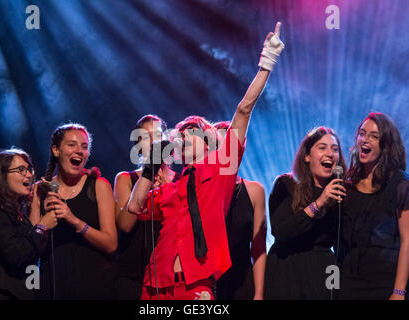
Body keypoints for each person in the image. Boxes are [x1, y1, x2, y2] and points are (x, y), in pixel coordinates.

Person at [128, 22, 284, 300]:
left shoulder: (221, 169)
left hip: (196, 285)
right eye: (181, 134)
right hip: (155, 285)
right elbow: (134, 207)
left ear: (210, 142)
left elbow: (243, 110)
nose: (184, 137)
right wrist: (151, 168)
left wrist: (266, 64)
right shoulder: (171, 187)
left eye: (193, 132)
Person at [30, 123, 117, 299]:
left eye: (84, 147)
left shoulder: (99, 186)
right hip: (54, 288)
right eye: (71, 145)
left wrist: (74, 220)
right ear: (56, 150)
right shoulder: (39, 190)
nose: (79, 151)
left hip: (95, 288)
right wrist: (44, 222)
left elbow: (111, 244)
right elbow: (32, 249)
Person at [264, 127, 347, 299]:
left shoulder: (340, 193)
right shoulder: (286, 184)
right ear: (307, 156)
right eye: (322, 147)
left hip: (323, 271)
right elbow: (281, 232)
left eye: (335, 149)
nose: (330, 154)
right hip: (287, 268)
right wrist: (318, 203)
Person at [340, 112, 409, 300]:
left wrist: (399, 291)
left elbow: (407, 242)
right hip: (349, 285)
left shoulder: (400, 185)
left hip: (384, 286)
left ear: (385, 145)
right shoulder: (348, 185)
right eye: (362, 133)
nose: (365, 139)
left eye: (374, 136)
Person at [0, 148, 57, 300]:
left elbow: (32, 249)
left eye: (29, 169)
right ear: (2, 175)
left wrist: (35, 204)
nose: (28, 175)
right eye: (21, 170)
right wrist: (42, 226)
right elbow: (18, 255)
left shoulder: (19, 214)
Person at [113, 114, 179, 299]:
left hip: (170, 277)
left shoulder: (181, 181)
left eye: (158, 136)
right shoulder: (126, 179)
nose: (152, 142)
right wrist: (146, 183)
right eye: (145, 137)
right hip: (134, 275)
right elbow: (125, 224)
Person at [213, 121, 267, 300]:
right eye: (219, 145)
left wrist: (259, 294)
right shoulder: (198, 189)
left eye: (231, 145)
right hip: (206, 282)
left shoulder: (254, 191)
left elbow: (258, 246)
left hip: (242, 282)